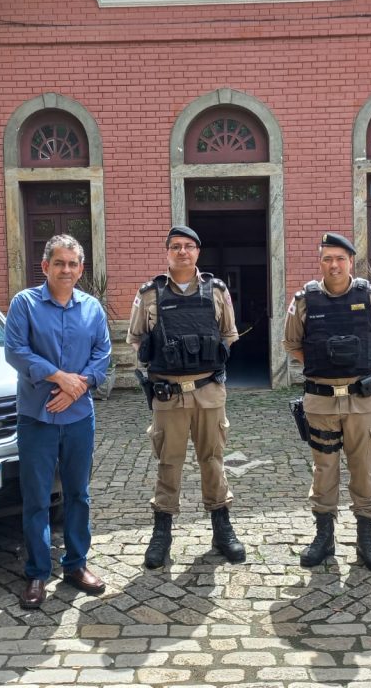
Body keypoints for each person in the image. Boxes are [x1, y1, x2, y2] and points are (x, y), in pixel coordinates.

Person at [4, 234, 112, 609]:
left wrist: (77, 387)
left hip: (79, 417)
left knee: (78, 493)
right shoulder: (25, 304)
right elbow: (15, 351)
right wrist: (57, 377)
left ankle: (76, 565)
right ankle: (37, 572)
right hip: (37, 417)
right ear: (45, 266)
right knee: (36, 497)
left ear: (81, 269)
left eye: (73, 264)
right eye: (59, 263)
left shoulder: (92, 309)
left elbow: (103, 353)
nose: (66, 269)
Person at [128, 226, 244, 568]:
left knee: (213, 460)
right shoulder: (149, 294)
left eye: (189, 246)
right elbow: (136, 339)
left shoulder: (217, 290)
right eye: (176, 247)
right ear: (167, 253)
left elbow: (229, 334)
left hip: (208, 391)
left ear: (198, 252)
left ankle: (222, 529)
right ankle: (162, 533)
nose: (182, 252)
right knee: (169, 464)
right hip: (168, 394)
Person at [283, 232, 371, 571]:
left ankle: (367, 540)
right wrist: (322, 367)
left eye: (340, 259)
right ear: (320, 262)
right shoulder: (304, 300)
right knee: (324, 470)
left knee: (363, 470)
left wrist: (361, 367)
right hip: (319, 401)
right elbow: (291, 343)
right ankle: (324, 537)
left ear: (351, 261)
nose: (333, 265)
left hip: (361, 400)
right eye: (327, 259)